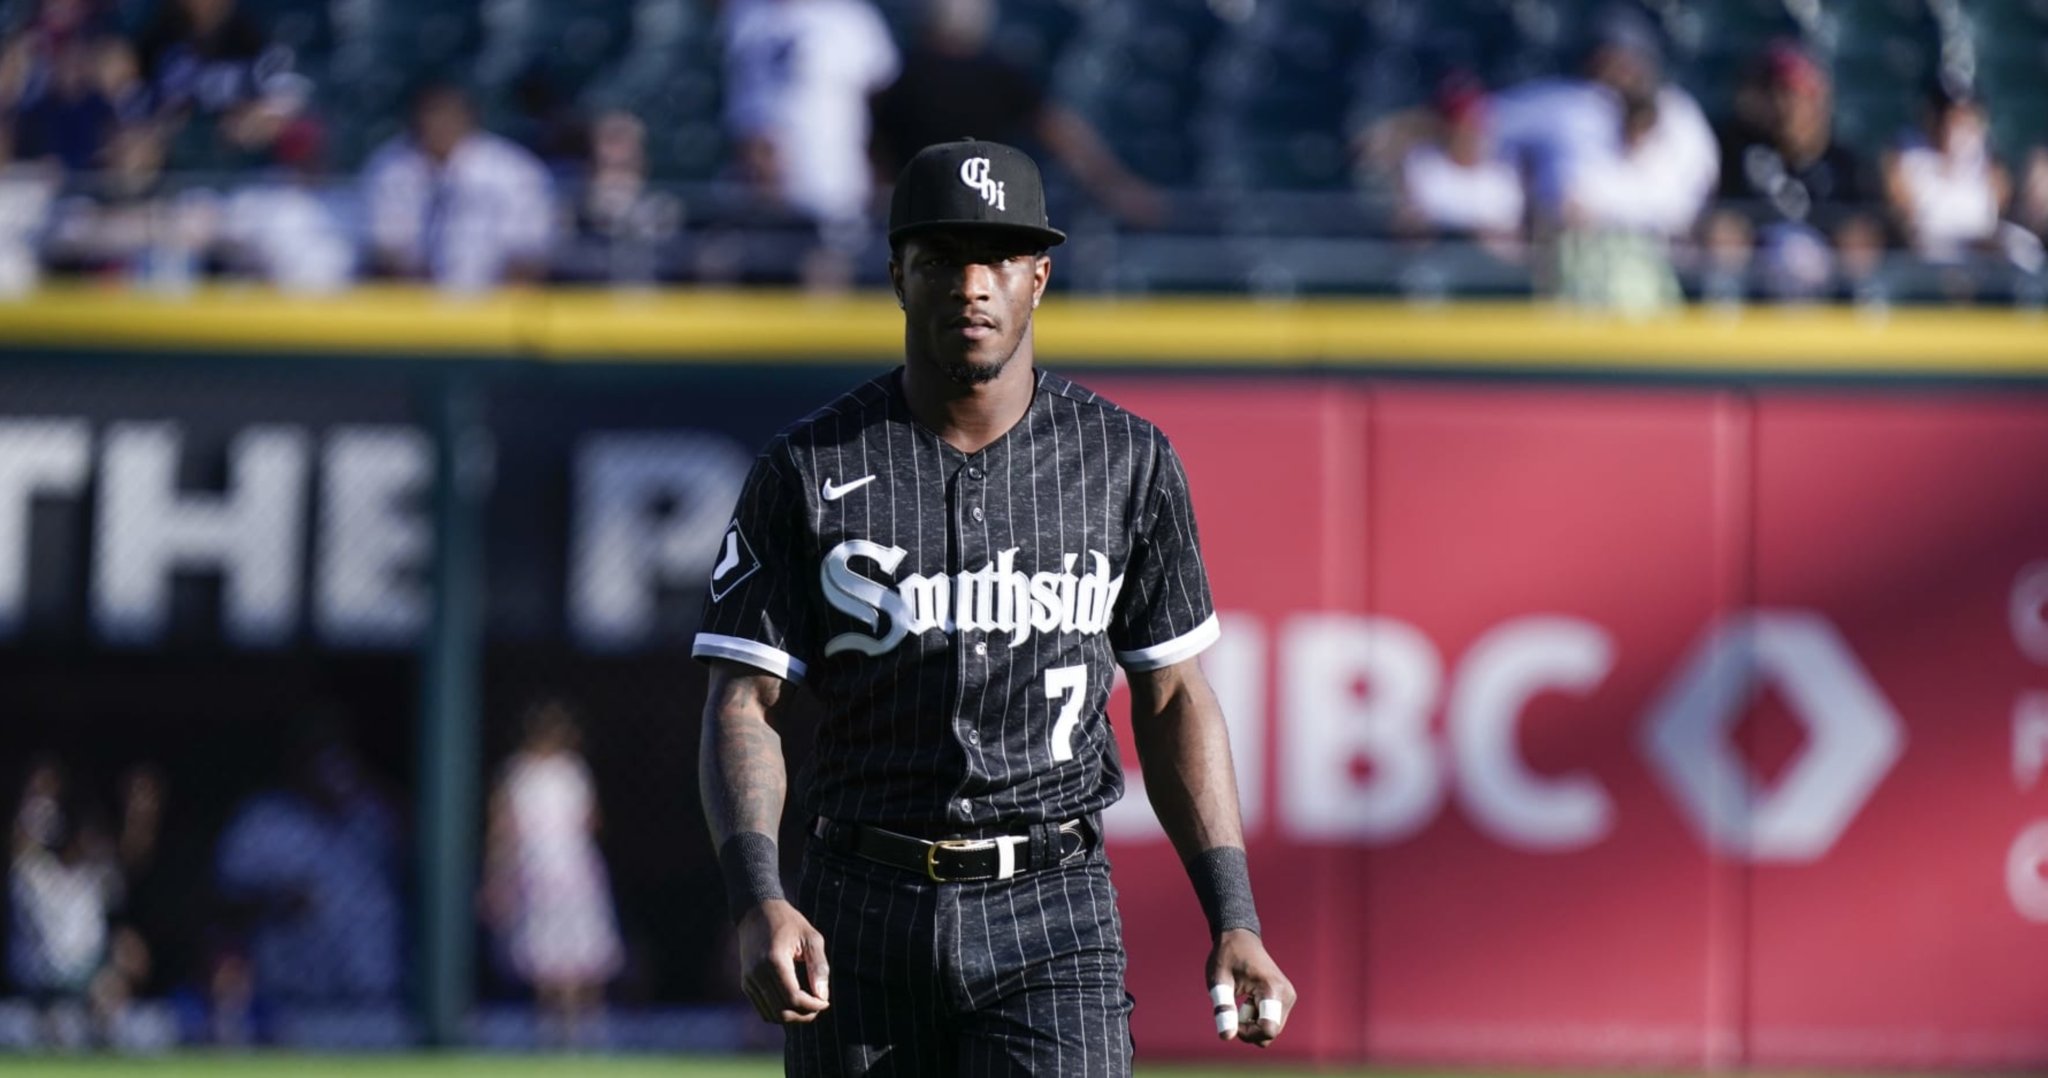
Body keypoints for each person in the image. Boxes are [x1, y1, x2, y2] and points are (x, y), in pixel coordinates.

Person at [694, 138, 1294, 1075]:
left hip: (1053, 906)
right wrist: (757, 898)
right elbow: (744, 703)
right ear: (898, 274)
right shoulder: (805, 467)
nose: (972, 284)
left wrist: (1236, 918)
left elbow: (1174, 694)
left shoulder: (1126, 462)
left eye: (999, 258)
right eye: (942, 258)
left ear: (1039, 278)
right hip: (861, 904)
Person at [869, 0, 1163, 227]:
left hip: (920, 211)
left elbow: (1058, 131)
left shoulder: (899, 74)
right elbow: (1060, 133)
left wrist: (1114, 185)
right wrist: (1116, 186)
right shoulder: (905, 74)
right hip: (978, 211)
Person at [214, 712, 403, 1008]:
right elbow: (220, 903)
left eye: (339, 753)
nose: (332, 766)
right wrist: (277, 900)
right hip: (291, 997)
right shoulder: (264, 820)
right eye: (319, 752)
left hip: (375, 994)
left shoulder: (371, 816)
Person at [721, 0, 899, 287]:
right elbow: (743, 100)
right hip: (757, 183)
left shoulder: (851, 18)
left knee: (827, 268)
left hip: (832, 176)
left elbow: (881, 98)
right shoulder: (747, 14)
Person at [481, 698, 624, 1048]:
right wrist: (497, 877)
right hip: (545, 874)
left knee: (579, 956)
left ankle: (579, 1032)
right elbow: (504, 830)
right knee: (552, 960)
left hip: (566, 873)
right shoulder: (527, 773)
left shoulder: (566, 770)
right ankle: (562, 1033)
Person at [362, 80, 554, 292]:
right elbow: (388, 253)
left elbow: (527, 255)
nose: (437, 126)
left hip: (496, 301)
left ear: (468, 120)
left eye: (447, 118)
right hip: (414, 302)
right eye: (429, 117)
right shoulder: (390, 167)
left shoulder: (513, 170)